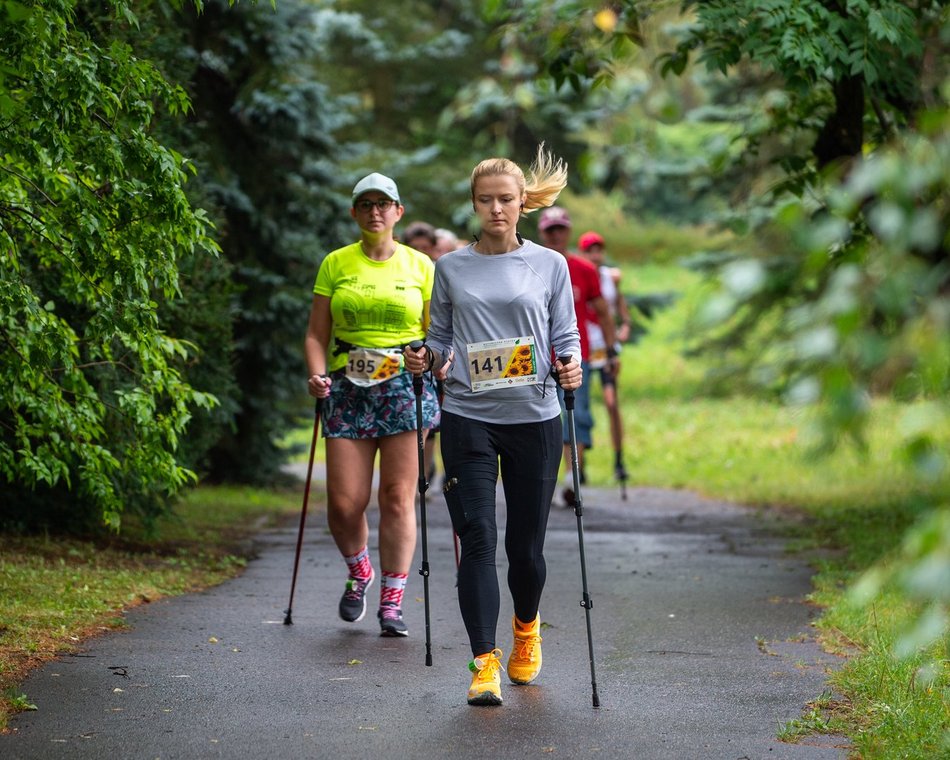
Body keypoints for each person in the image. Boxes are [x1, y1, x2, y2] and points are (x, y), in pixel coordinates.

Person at [404, 145, 582, 707]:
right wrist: (423, 359)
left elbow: (566, 339)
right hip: (468, 417)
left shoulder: (550, 266)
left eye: (506, 200)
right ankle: (484, 663)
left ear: (522, 203)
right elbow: (438, 340)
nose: (497, 210)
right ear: (474, 205)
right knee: (476, 538)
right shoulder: (450, 266)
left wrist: (571, 366)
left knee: (525, 547)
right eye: (486, 201)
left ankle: (526, 629)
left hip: (534, 418)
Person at [304, 172, 439, 638]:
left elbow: (436, 334)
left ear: (399, 212)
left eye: (384, 204)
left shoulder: (422, 266)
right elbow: (315, 333)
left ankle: (392, 601)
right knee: (344, 503)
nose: (375, 211)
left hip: (404, 385)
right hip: (347, 385)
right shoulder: (335, 264)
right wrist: (317, 372)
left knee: (398, 498)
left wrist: (431, 358)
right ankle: (360, 571)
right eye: (366, 204)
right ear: (355, 213)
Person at [537, 207, 619, 508]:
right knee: (541, 419)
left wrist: (611, 351)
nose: (555, 234)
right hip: (535, 358)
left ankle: (573, 479)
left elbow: (603, 312)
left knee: (576, 414)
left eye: (560, 229)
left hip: (574, 356)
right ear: (541, 232)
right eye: (550, 230)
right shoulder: (530, 265)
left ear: (568, 232)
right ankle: (543, 480)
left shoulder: (584, 270)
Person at [578, 231, 632, 486]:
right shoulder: (578, 274)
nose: (595, 255)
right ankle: (580, 462)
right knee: (581, 404)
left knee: (612, 403)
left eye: (599, 250)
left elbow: (620, 306)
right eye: (590, 251)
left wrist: (625, 325)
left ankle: (619, 460)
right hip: (586, 347)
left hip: (606, 348)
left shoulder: (611, 277)